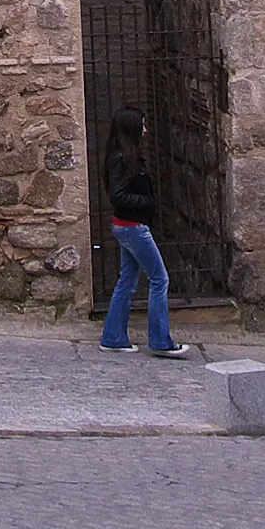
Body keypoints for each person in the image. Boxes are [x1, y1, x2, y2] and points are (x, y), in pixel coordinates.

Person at [98, 103, 189, 358]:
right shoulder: (121, 159)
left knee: (126, 280)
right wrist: (147, 203)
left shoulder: (125, 156)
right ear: (132, 129)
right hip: (133, 227)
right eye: (143, 125)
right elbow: (118, 195)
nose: (147, 130)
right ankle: (160, 340)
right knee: (160, 279)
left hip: (127, 226)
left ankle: (113, 337)